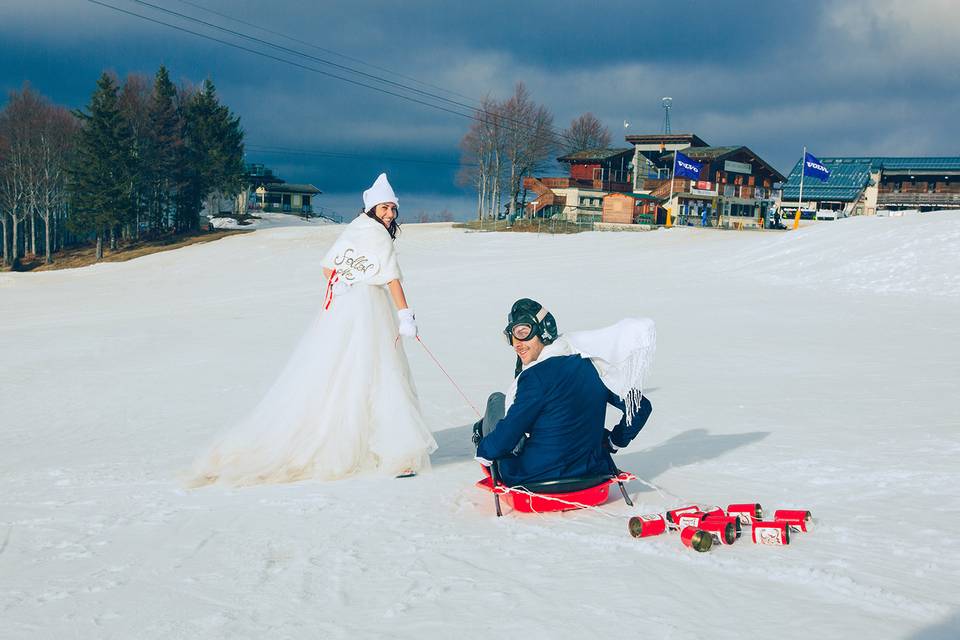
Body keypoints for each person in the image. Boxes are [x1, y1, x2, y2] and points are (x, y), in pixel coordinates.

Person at [188, 174, 437, 486]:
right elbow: (391, 278)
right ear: (372, 208)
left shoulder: (356, 229)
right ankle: (392, 451)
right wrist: (404, 314)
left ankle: (366, 443)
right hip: (367, 309)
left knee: (348, 370)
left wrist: (346, 281)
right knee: (379, 372)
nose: (390, 214)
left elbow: (328, 267)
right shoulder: (375, 234)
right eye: (385, 208)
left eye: (392, 209)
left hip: (347, 308)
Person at [474, 299, 654, 487]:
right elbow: (640, 407)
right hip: (593, 472)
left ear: (544, 330)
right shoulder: (594, 365)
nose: (516, 344)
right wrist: (613, 441)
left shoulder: (535, 376)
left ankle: (481, 433)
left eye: (523, 332)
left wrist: (483, 451)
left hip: (535, 477)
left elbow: (508, 433)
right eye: (510, 336)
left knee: (496, 401)